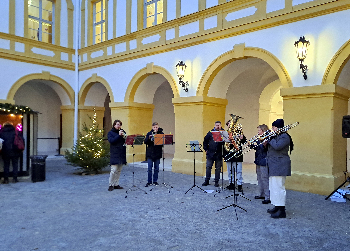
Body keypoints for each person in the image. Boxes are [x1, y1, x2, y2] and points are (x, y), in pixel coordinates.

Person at [265, 119, 293, 218]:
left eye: (273, 127)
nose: (272, 129)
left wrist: (269, 138)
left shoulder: (285, 136)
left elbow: (277, 146)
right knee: (273, 187)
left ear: (278, 127)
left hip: (280, 165)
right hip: (274, 164)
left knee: (279, 187)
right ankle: (276, 206)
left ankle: (281, 210)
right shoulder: (276, 136)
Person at [223, 120, 246, 192]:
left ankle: (239, 185)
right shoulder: (225, 133)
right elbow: (222, 144)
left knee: (238, 171)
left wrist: (242, 138)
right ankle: (231, 184)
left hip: (237, 155)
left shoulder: (239, 132)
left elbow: (244, 141)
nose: (230, 126)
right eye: (229, 125)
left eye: (232, 124)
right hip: (228, 154)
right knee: (230, 171)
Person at [202, 121, 224, 187]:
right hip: (210, 153)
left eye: (219, 125)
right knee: (208, 167)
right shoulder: (210, 132)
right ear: (214, 126)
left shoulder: (223, 133)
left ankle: (216, 182)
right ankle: (207, 180)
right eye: (216, 125)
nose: (217, 126)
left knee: (218, 168)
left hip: (219, 154)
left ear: (220, 126)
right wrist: (206, 149)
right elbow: (205, 141)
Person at [107, 119, 127, 191]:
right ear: (114, 125)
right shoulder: (110, 133)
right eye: (117, 124)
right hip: (115, 153)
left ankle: (116, 184)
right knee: (114, 170)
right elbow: (111, 141)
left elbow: (126, 140)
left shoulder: (122, 131)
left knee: (119, 170)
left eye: (120, 125)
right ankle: (110, 184)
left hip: (121, 153)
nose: (119, 126)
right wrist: (118, 135)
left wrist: (125, 137)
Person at [253, 124, 270, 204]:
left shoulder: (268, 138)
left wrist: (259, 144)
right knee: (259, 178)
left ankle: (267, 196)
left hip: (264, 160)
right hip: (258, 159)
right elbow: (256, 148)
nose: (258, 132)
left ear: (263, 130)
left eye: (259, 130)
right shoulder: (259, 138)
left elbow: (265, 148)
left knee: (265, 178)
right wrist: (251, 144)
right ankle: (261, 194)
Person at [144, 122, 163, 187]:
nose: (155, 128)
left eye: (156, 127)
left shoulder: (161, 134)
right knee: (149, 168)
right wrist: (149, 138)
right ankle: (149, 181)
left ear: (158, 127)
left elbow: (163, 143)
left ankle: (155, 181)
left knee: (156, 168)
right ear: (152, 127)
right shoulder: (149, 133)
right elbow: (145, 142)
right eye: (154, 127)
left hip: (157, 153)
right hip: (150, 153)